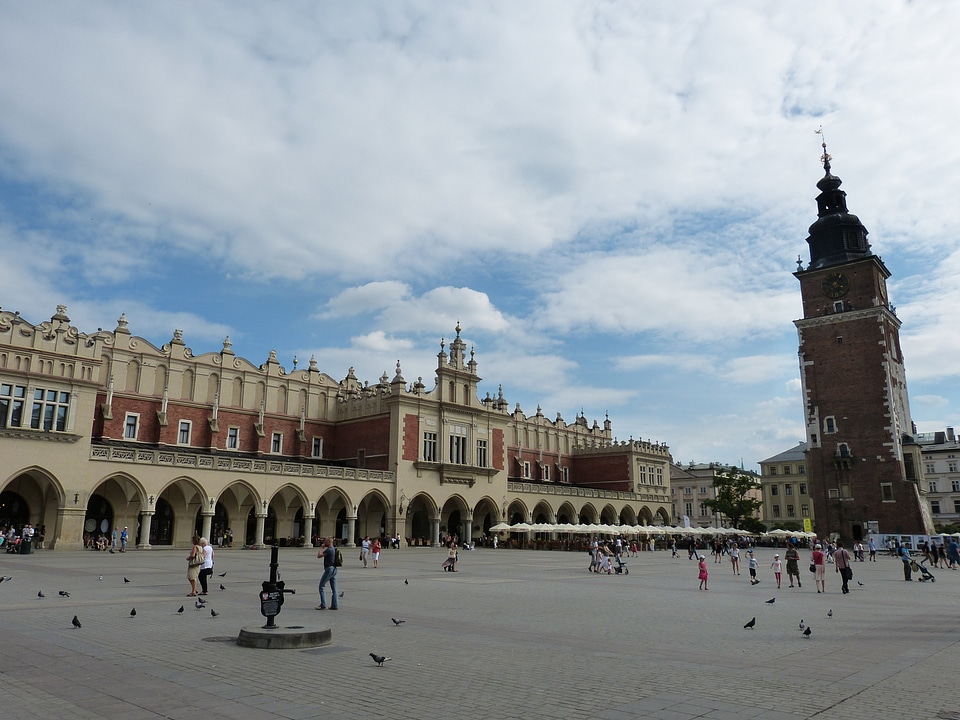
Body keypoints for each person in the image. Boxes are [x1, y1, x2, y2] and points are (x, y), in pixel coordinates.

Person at [316, 536, 339, 610]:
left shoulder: (329, 550)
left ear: (329, 542)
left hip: (329, 569)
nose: (324, 543)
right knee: (334, 589)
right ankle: (334, 605)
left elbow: (319, 555)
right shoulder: (334, 549)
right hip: (334, 569)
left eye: (325, 541)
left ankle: (323, 604)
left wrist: (321, 548)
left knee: (321, 586)